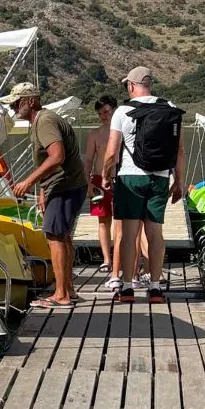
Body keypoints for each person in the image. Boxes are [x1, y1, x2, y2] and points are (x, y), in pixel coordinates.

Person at [103, 67, 185, 304]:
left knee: (129, 236)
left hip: (130, 176)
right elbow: (179, 150)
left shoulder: (123, 111)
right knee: (155, 233)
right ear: (150, 83)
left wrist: (106, 176)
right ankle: (156, 288)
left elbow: (111, 152)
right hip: (159, 178)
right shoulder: (170, 108)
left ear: (130, 85)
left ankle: (127, 288)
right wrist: (179, 181)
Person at [5, 83, 86, 308]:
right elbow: (47, 160)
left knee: (55, 237)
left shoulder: (44, 121)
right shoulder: (42, 120)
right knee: (63, 236)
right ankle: (68, 289)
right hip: (63, 186)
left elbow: (57, 156)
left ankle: (61, 295)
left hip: (64, 186)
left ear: (31, 100)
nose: (13, 107)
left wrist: (28, 181)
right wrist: (42, 189)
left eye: (17, 102)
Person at [83, 95, 116, 276]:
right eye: (100, 113)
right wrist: (87, 181)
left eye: (106, 112)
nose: (104, 116)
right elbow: (88, 159)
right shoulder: (95, 134)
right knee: (103, 221)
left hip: (120, 179)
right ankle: (106, 259)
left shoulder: (123, 131)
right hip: (98, 180)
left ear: (114, 110)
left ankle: (121, 258)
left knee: (122, 222)